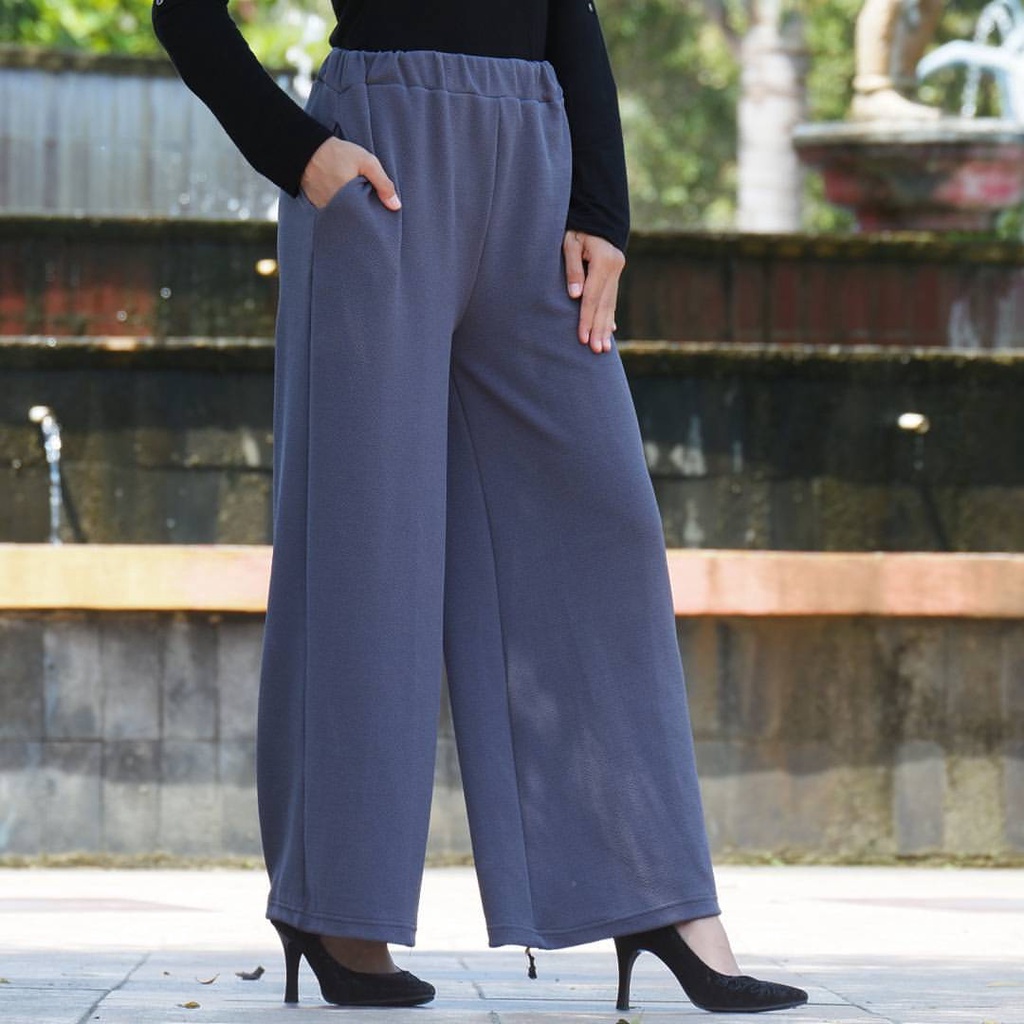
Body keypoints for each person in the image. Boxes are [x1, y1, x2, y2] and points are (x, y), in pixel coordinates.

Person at [152, 0, 808, 1014]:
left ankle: (654, 894)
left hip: (535, 176)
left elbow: (568, 12)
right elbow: (183, 11)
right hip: (380, 166)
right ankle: (337, 907)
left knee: (604, 526)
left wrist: (603, 209)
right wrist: (301, 154)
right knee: (369, 551)